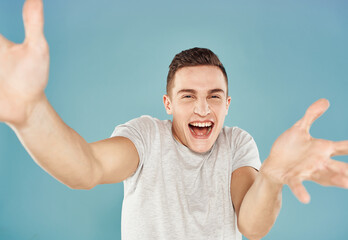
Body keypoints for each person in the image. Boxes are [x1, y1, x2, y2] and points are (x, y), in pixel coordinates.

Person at [1, 0, 347, 239]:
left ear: (227, 104)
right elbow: (86, 168)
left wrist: (271, 177)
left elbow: (252, 226)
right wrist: (31, 113)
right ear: (168, 103)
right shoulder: (145, 136)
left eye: (213, 96)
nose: (202, 109)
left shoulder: (238, 143)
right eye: (187, 96)